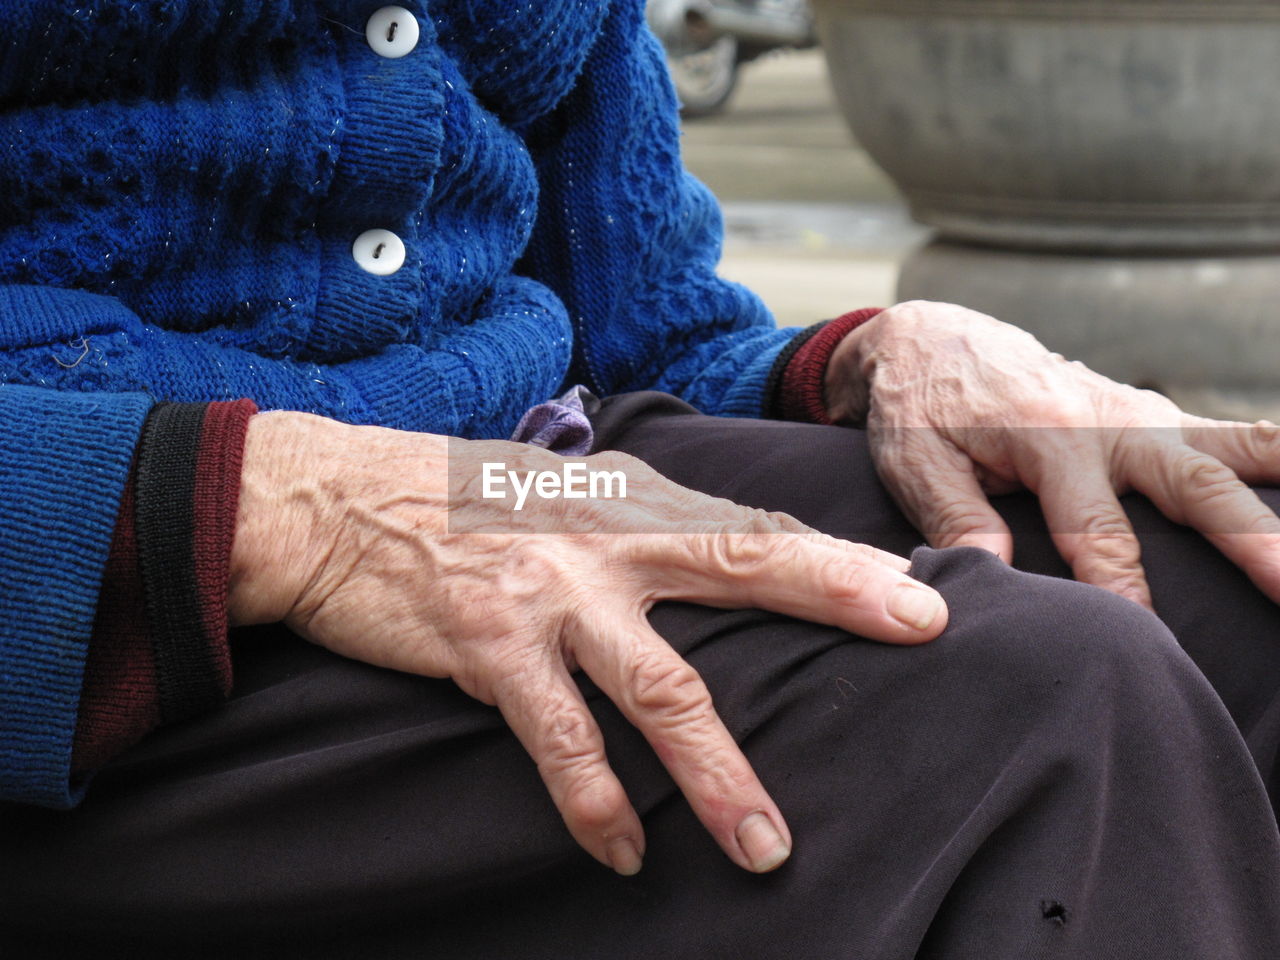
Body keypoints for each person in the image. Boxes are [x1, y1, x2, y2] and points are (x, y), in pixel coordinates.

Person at [1, 1, 1279, 956]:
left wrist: (866, 363)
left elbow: (634, 307)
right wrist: (296, 511)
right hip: (98, 587)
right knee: (1044, 708)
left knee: (1227, 585)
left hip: (502, 475)